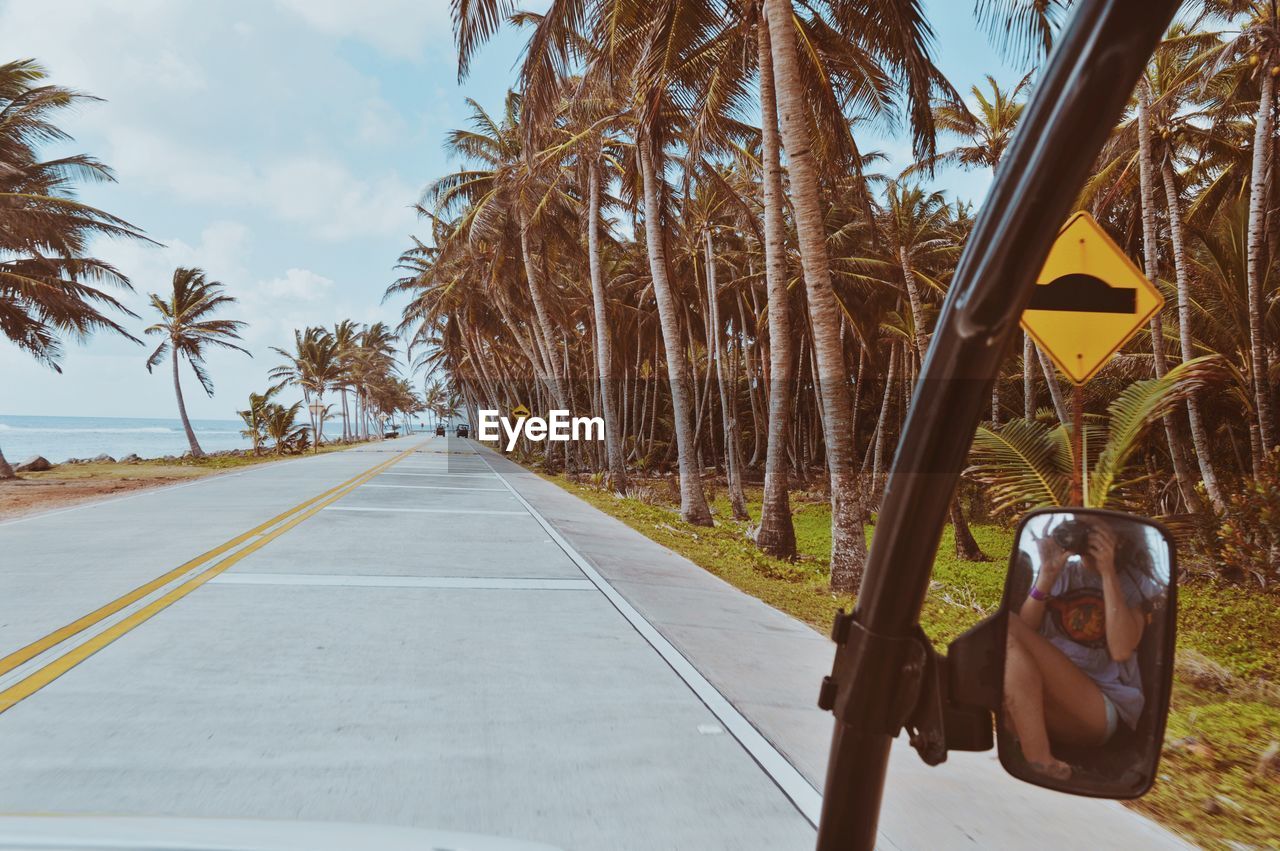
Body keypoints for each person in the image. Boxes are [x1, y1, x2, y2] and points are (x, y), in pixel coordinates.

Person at [1003, 515, 1151, 780]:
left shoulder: (1134, 585)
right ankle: (1021, 744)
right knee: (1005, 639)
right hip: (1055, 699)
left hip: (1099, 707)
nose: (1086, 535)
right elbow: (1021, 635)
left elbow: (1120, 650)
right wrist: (1046, 576)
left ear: (1119, 538)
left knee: (1007, 626)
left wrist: (1108, 572)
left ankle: (1041, 761)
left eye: (1095, 530)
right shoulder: (1063, 574)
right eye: (1081, 528)